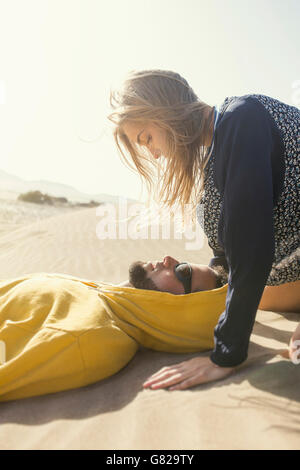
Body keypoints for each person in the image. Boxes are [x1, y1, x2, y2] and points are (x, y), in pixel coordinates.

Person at [108, 69, 300, 390]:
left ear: (163, 111)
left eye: (147, 139)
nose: (153, 153)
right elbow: (227, 262)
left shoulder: (241, 119)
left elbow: (251, 251)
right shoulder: (213, 171)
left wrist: (225, 354)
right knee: (264, 302)